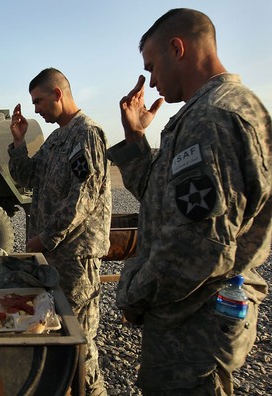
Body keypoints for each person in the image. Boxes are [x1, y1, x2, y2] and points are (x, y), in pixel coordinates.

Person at [108, 8, 271, 395]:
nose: (150, 79)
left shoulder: (212, 119)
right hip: (191, 312)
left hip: (193, 321)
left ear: (177, 48)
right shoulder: (220, 109)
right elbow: (164, 199)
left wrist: (135, 293)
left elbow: (197, 247)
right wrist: (135, 140)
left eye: (151, 66)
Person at [9, 67, 111, 396]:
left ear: (58, 94)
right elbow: (27, 177)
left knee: (79, 338)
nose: (35, 109)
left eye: (38, 101)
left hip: (75, 257)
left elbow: (84, 197)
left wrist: (46, 238)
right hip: (52, 256)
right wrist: (18, 142)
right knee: (56, 333)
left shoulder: (87, 133)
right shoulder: (56, 139)